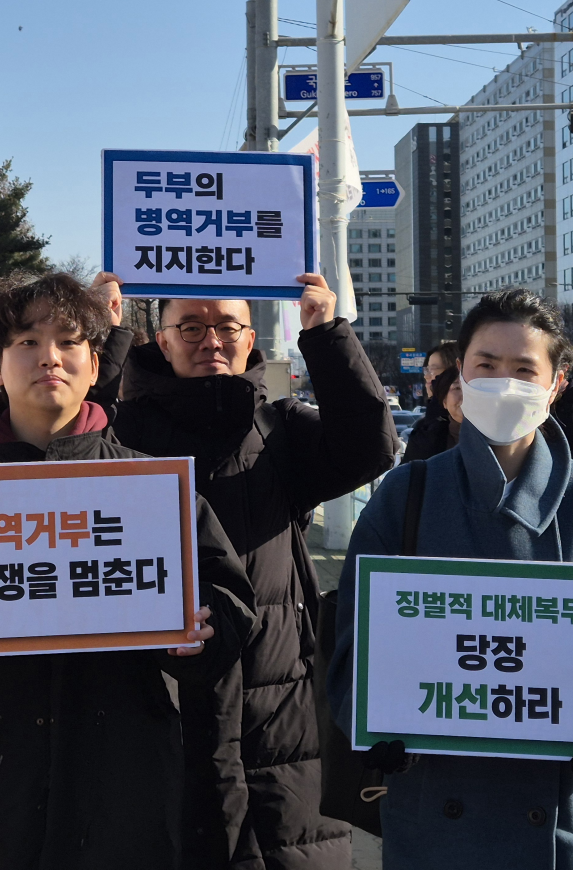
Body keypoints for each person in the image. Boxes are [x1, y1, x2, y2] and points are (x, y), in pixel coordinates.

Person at [0, 273, 256, 870]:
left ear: (94, 364)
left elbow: (230, 600)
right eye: (27, 342)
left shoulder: (151, 489)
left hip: (117, 771)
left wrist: (202, 630)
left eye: (68, 341)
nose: (49, 358)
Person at [328, 289, 573, 870]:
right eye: (486, 366)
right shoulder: (406, 494)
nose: (503, 382)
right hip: (437, 805)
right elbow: (352, 637)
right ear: (458, 378)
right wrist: (370, 716)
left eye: (524, 369)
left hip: (568, 818)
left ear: (556, 384)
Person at [90, 271, 397, 869]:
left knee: (283, 846)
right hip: (152, 691)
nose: (212, 341)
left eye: (227, 326)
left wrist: (327, 335)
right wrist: (109, 340)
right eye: (191, 327)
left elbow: (370, 446)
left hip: (275, 698)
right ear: (161, 338)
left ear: (250, 336)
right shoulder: (121, 430)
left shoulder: (279, 426)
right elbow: (66, 440)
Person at [403, 343, 460, 462]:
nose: (427, 377)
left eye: (433, 370)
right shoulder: (428, 421)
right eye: (426, 370)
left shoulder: (450, 420)